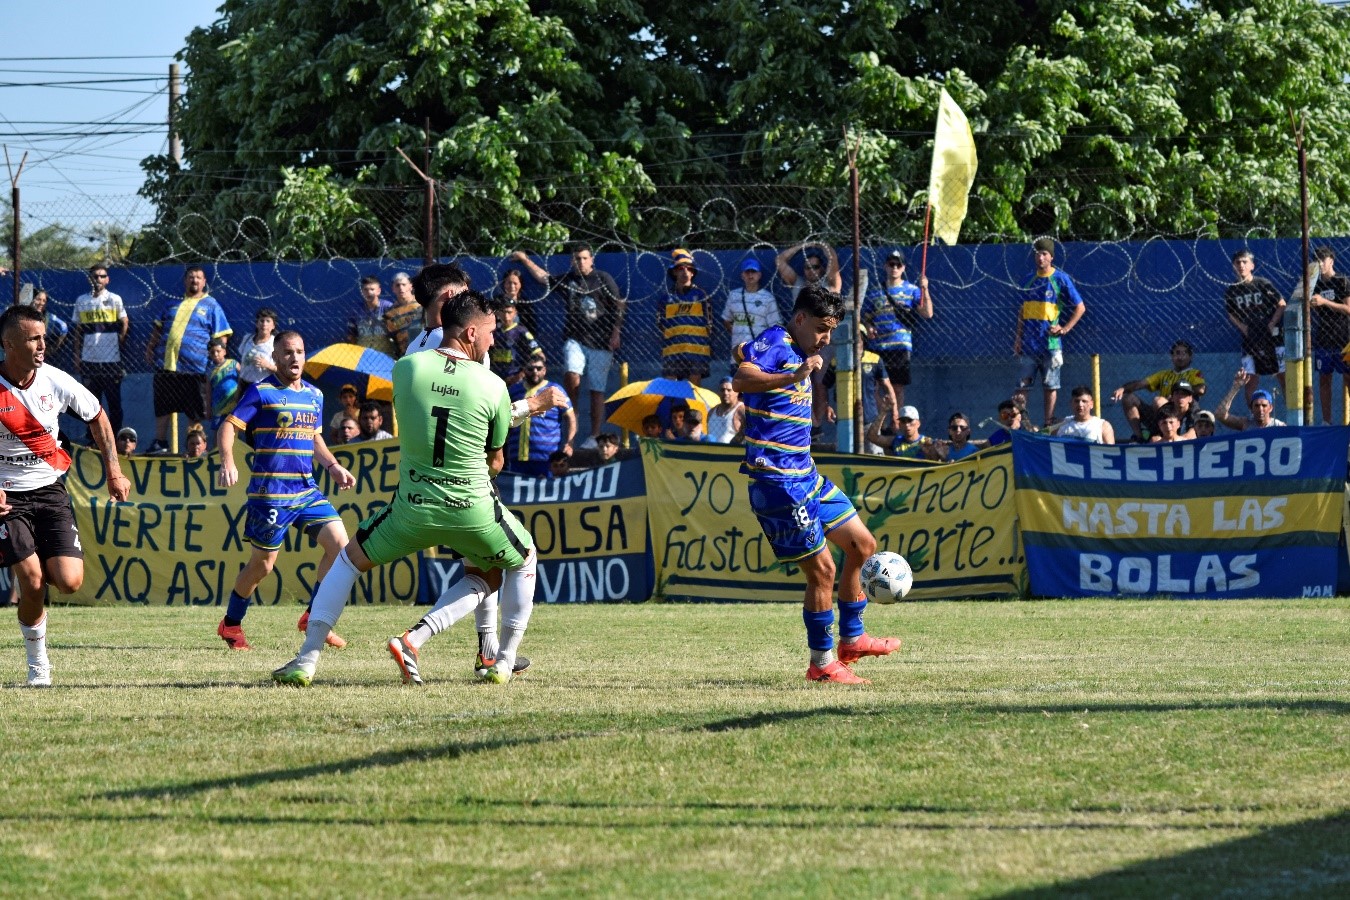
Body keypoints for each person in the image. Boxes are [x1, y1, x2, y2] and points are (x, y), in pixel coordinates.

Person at [270, 284, 542, 687]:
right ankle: (502, 662)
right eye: (489, 331)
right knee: (522, 560)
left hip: (412, 507)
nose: (492, 338)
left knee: (347, 561)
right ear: (470, 334)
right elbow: (496, 461)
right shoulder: (494, 387)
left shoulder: (405, 369)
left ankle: (306, 660)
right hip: (472, 508)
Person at [732, 283, 901, 685]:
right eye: (822, 329)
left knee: (862, 545)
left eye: (831, 332)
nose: (825, 339)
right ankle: (822, 663)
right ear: (800, 318)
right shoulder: (778, 341)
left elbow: (751, 361)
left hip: (806, 475)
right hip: (778, 481)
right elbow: (741, 378)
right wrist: (791, 374)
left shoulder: (796, 350)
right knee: (823, 570)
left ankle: (853, 640)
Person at [0, 305, 130, 686]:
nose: (43, 344)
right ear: (8, 344)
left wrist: (114, 471)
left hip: (51, 491)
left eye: (43, 336)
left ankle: (37, 569)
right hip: (9, 500)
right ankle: (38, 665)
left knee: (69, 580)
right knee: (33, 579)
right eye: (33, 338)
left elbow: (98, 417)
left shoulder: (54, 380)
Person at [218, 330, 355, 652]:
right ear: (276, 357)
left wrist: (333, 467)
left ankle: (313, 616)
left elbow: (315, 438)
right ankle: (231, 624)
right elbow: (229, 426)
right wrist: (228, 460)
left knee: (340, 546)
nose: (294, 358)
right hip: (271, 493)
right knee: (262, 566)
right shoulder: (260, 392)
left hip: (306, 490)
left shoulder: (314, 395)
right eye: (287, 352)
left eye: (299, 351)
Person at [512, 244, 626, 448]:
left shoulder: (602, 279)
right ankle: (571, 416)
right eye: (577, 259)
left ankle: (594, 435)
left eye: (584, 258)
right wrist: (524, 258)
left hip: (601, 341)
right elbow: (543, 278)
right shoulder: (568, 280)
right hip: (575, 339)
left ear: (591, 260)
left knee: (597, 390)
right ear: (572, 261)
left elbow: (618, 304)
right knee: (572, 375)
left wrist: (616, 331)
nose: (581, 262)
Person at [144, 265, 233, 454]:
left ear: (204, 282)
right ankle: (160, 443)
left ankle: (195, 445)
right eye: (191, 277)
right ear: (185, 281)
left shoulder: (211, 305)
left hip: (195, 368)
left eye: (198, 278)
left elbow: (221, 336)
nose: (194, 280)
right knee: (162, 407)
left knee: (194, 411)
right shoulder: (172, 304)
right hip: (166, 365)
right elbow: (158, 329)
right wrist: (151, 348)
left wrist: (219, 356)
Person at [1015, 237, 1085, 427]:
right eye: (1037, 254)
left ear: (1051, 257)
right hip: (1029, 344)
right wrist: (1018, 338)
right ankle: (1024, 423)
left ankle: (1048, 423)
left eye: (1044, 254)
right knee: (1022, 386)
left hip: (1051, 343)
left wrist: (1064, 329)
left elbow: (1080, 307)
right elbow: (1022, 310)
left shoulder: (1060, 279)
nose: (1040, 258)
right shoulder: (1028, 279)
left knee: (1050, 385)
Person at [862, 249, 933, 424]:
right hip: (877, 347)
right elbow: (865, 317)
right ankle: (880, 422)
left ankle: (896, 422)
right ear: (885, 266)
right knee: (876, 386)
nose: (894, 268)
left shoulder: (912, 290)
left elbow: (927, 313)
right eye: (891, 264)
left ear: (903, 268)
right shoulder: (875, 291)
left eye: (898, 264)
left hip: (900, 345)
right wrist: (869, 327)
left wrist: (925, 289)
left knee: (897, 387)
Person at [73, 264, 129, 443]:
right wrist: (77, 355)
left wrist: (119, 341)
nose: (98, 280)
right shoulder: (82, 300)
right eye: (95, 276)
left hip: (112, 359)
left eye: (101, 276)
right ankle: (93, 438)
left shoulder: (114, 299)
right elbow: (78, 330)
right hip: (89, 359)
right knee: (91, 403)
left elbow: (125, 321)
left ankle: (116, 437)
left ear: (107, 279)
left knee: (114, 403)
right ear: (90, 279)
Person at [1110, 340, 1207, 441]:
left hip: (1182, 413)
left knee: (1159, 401)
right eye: (1177, 353)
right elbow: (1141, 383)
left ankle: (1161, 434)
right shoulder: (1164, 374)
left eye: (1184, 353)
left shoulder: (1195, 373)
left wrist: (1177, 396)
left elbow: (1201, 389)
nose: (1180, 357)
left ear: (1190, 357)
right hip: (1160, 414)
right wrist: (1123, 388)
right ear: (1172, 356)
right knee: (1128, 398)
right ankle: (1140, 437)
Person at [1224, 250, 1286, 406]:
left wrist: (1272, 323)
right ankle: (1254, 416)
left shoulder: (1262, 284)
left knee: (1283, 375)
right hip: (1250, 339)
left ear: (1252, 265)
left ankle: (1292, 411)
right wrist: (1243, 327)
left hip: (1272, 338)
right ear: (1234, 266)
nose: (1241, 265)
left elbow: (1281, 304)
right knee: (1250, 379)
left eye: (1245, 262)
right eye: (1238, 262)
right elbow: (1231, 313)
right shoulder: (1232, 291)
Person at [507, 357, 575, 477]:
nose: (535, 372)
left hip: (547, 458)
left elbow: (571, 418)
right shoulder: (514, 390)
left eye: (539, 368)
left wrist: (570, 442)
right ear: (524, 370)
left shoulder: (554, 391)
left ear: (545, 370)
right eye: (530, 368)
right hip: (517, 456)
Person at [1308, 246, 1350, 424]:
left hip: (1343, 338)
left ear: (1331, 261)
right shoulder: (1313, 283)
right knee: (1324, 380)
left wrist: (1324, 301)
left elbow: (1348, 309)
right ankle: (1327, 421)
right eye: (1316, 260)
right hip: (1324, 338)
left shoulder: (1342, 281)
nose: (1320, 263)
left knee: (1348, 378)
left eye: (1322, 260)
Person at [658, 249, 713, 385]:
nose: (685, 272)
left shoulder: (701, 295)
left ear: (693, 272)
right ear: (675, 272)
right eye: (681, 268)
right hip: (672, 349)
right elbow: (660, 323)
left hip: (697, 350)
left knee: (694, 389)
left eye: (689, 269)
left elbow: (709, 322)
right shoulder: (666, 297)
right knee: (671, 388)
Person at [721, 257, 781, 371]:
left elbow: (775, 327)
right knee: (737, 386)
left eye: (753, 272)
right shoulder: (734, 296)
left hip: (759, 355)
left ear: (759, 275)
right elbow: (726, 319)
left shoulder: (768, 298)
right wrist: (737, 331)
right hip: (738, 354)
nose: (750, 275)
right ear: (742, 275)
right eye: (747, 272)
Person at [404, 261, 471, 354]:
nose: (468, 299)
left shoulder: (413, 346)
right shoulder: (455, 342)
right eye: (464, 293)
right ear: (450, 295)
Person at [489, 290, 544, 386]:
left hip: (515, 379)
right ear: (497, 313)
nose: (506, 316)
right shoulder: (492, 331)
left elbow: (539, 355)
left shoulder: (521, 332)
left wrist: (522, 374)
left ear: (515, 312)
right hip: (494, 378)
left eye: (509, 312)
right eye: (503, 312)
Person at [1214, 369, 1286, 431]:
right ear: (1252, 408)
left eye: (1264, 406)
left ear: (1270, 408)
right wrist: (1235, 387)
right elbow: (1219, 414)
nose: (1260, 409)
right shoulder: (1246, 424)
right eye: (1256, 406)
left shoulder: (1278, 426)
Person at [865, 404, 939, 460]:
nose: (907, 425)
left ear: (918, 423)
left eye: (910, 421)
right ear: (899, 425)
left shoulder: (928, 443)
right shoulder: (896, 441)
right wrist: (883, 412)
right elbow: (872, 437)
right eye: (903, 421)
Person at [349, 274, 395, 355]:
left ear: (378, 291)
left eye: (372, 289)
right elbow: (351, 333)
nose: (369, 292)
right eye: (365, 290)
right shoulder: (356, 310)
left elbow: (396, 331)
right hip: (364, 354)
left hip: (385, 354)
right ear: (362, 291)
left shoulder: (387, 307)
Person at [383, 272, 423, 357]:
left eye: (404, 284)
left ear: (410, 286)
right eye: (397, 285)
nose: (401, 288)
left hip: (426, 349)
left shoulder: (422, 304)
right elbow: (393, 338)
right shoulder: (390, 314)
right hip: (406, 354)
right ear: (393, 288)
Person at [206, 338, 242, 432]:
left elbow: (243, 377)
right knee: (219, 432)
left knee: (234, 430)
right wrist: (208, 409)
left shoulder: (233, 363)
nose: (216, 354)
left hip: (234, 404)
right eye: (212, 352)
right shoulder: (210, 371)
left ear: (224, 351)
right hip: (218, 407)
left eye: (218, 351)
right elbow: (208, 392)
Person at [237, 307, 278, 385]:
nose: (264, 324)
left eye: (268, 321)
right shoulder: (247, 338)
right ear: (257, 324)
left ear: (273, 326)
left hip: (263, 385)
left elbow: (282, 371)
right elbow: (243, 362)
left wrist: (267, 365)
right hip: (244, 383)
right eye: (261, 321)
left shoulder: (276, 343)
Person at [28, 290, 69, 362]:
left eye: (44, 301)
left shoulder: (49, 317)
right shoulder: (24, 316)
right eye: (38, 299)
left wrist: (54, 348)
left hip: (42, 356)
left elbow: (64, 327)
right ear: (31, 299)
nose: (41, 303)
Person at [706, 377, 744, 444]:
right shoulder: (712, 411)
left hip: (731, 451)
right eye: (722, 390)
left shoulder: (741, 410)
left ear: (737, 392)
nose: (725, 393)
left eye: (729, 390)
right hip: (711, 451)